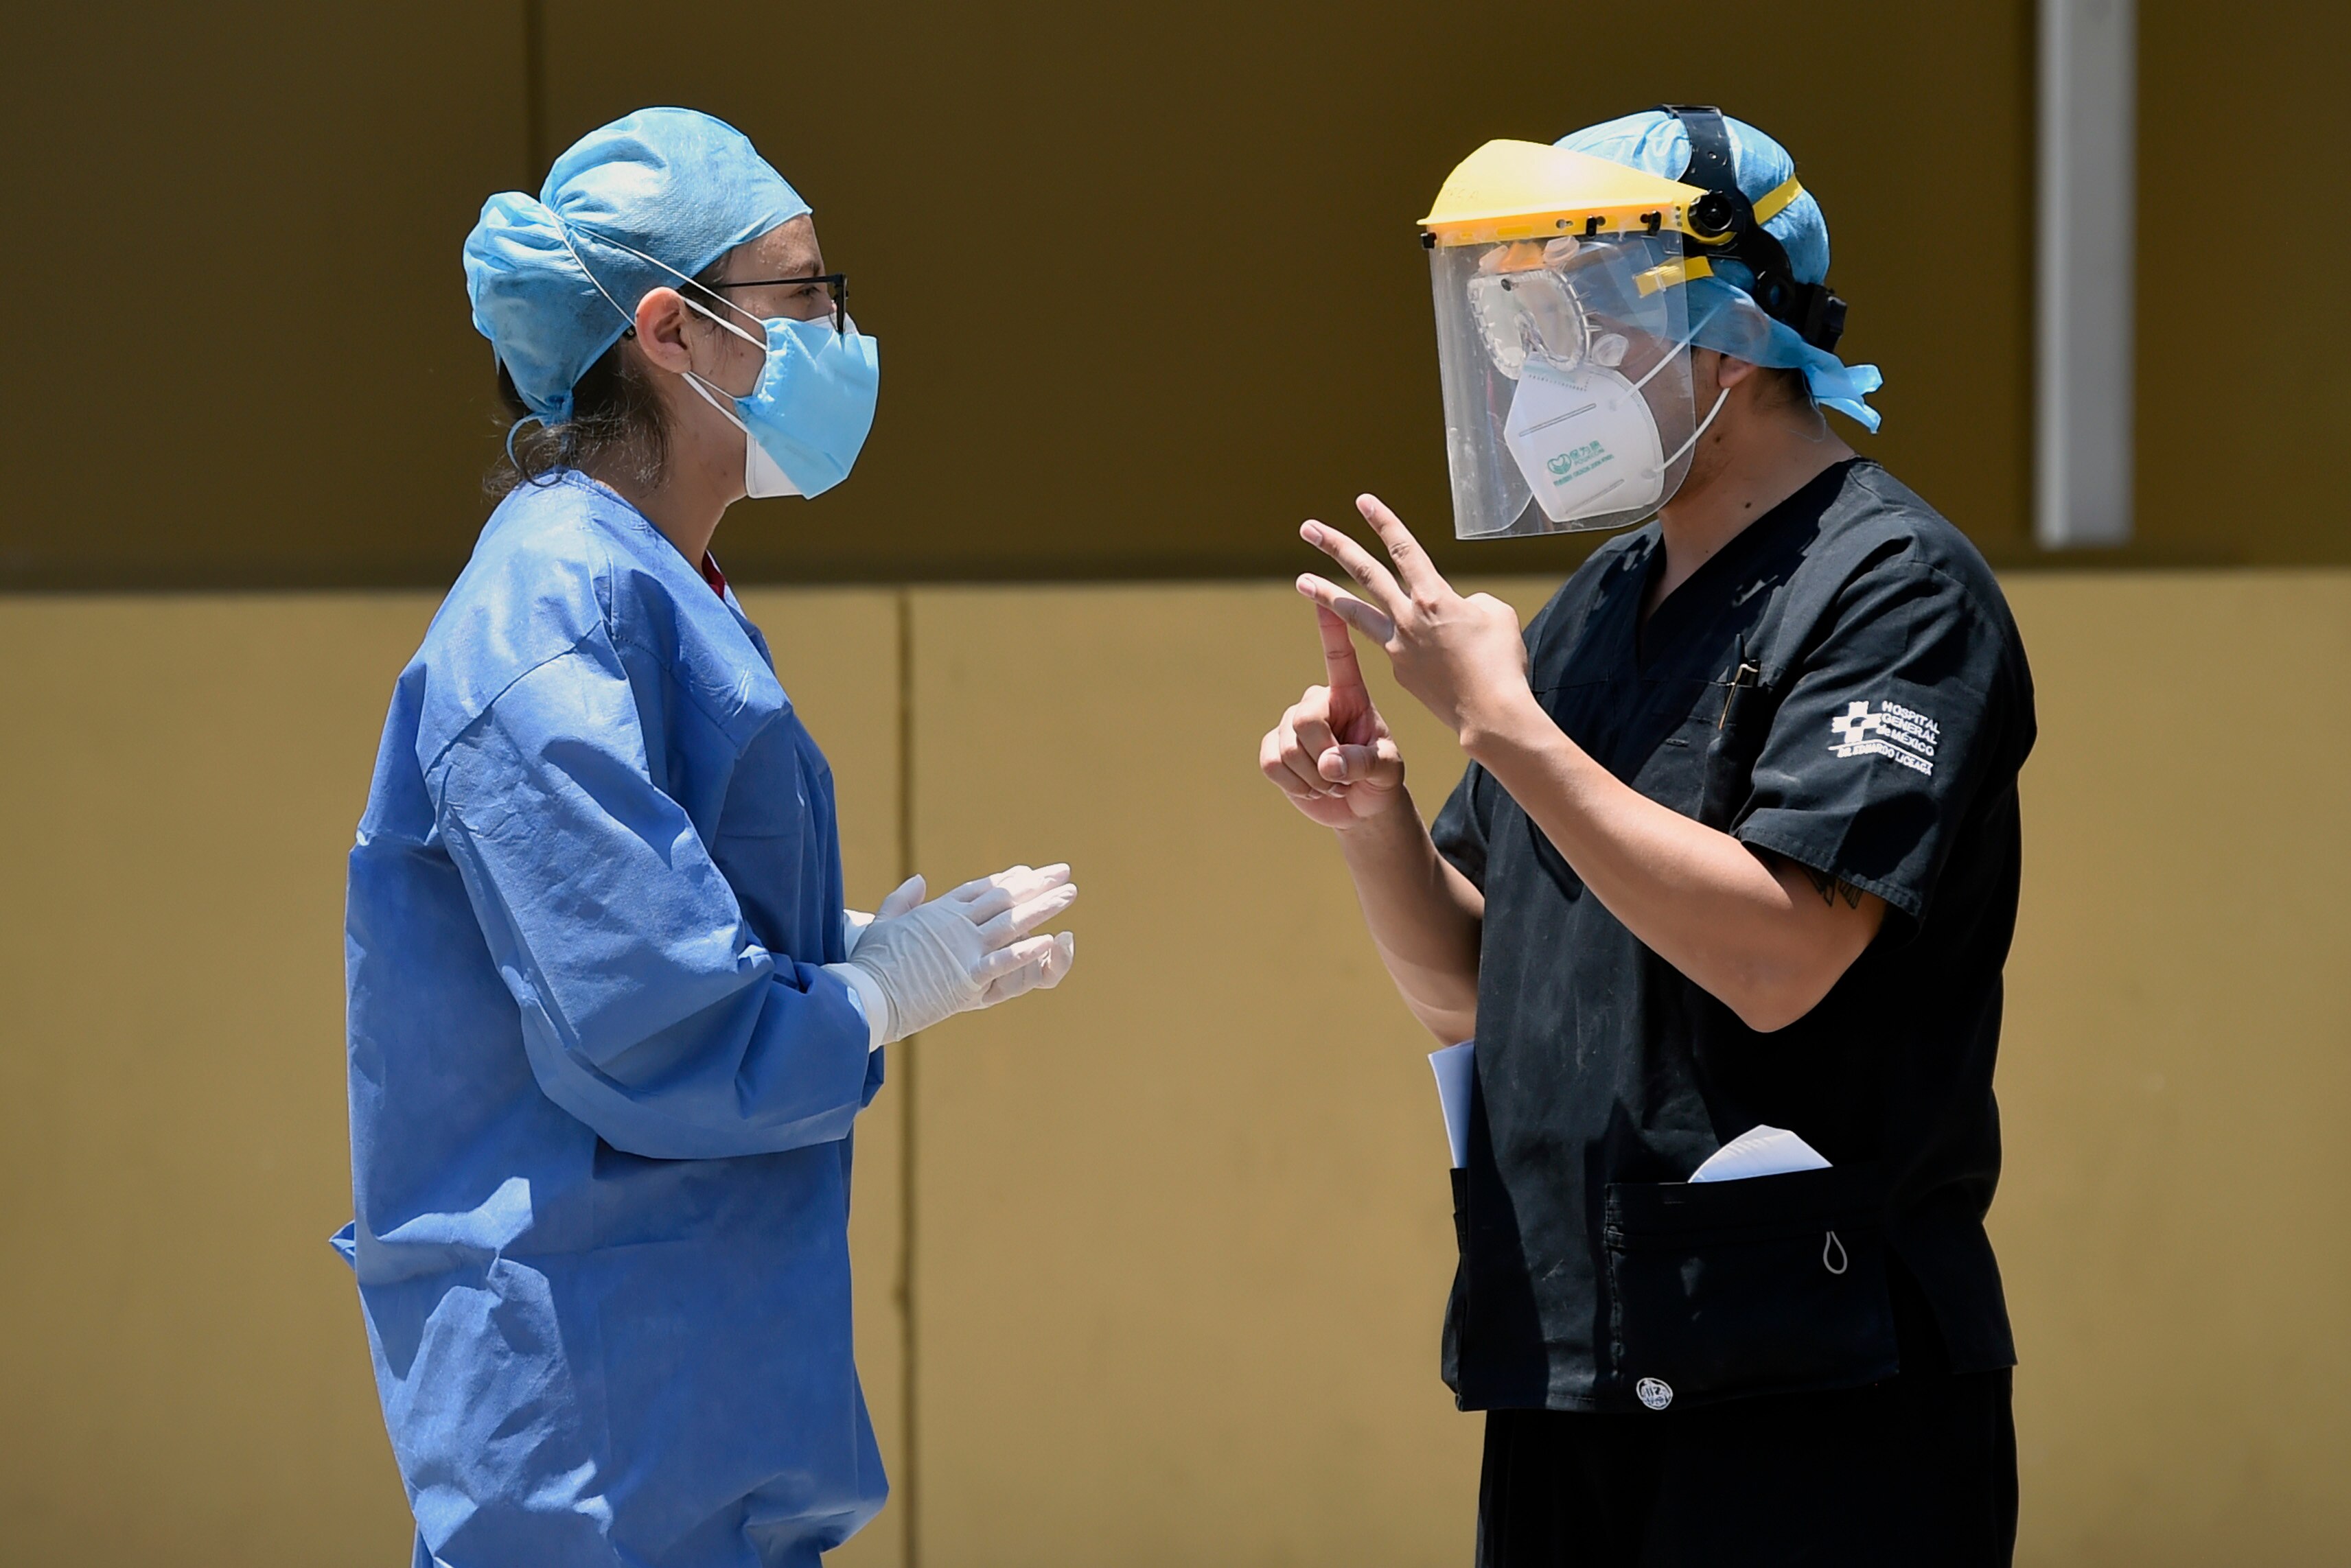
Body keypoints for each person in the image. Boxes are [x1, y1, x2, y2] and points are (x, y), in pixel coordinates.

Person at [1258, 108, 2028, 1564]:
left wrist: (1508, 729)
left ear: (1729, 334)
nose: (1531, 375)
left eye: (1575, 320)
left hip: (1817, 1384)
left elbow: (1784, 957)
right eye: (1512, 326)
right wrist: (1373, 817)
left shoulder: (1894, 590)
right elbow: (1478, 992)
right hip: (1573, 1356)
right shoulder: (1602, 609)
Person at [336, 108, 1078, 1568]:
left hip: (691, 1402)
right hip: (599, 1426)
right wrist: (869, 996)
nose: (837, 333)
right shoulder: (552, 610)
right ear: (670, 332)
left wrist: (825, 953)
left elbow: (638, 922)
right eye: (804, 296)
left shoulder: (657, 585)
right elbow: (646, 1017)